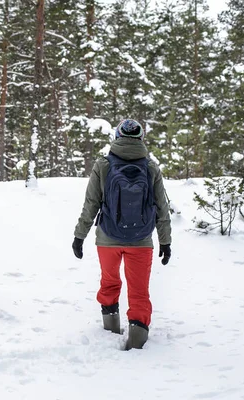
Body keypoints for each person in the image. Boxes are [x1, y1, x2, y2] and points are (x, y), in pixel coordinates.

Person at [72, 119, 172, 350]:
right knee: (139, 291)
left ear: (117, 137)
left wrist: (80, 235)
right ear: (141, 138)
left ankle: (110, 329)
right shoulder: (151, 167)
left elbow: (91, 204)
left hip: (107, 238)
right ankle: (137, 340)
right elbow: (162, 208)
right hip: (142, 240)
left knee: (109, 282)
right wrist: (165, 241)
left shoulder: (103, 165)